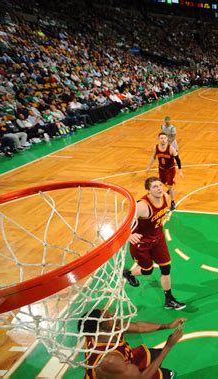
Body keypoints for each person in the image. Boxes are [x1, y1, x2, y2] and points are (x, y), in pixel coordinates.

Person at [123, 177, 186, 310]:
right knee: (148, 271)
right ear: (148, 191)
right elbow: (124, 221)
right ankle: (129, 273)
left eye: (160, 185)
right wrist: (129, 234)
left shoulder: (165, 197)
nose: (159, 188)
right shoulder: (142, 206)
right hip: (142, 243)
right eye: (154, 187)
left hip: (158, 239)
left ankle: (169, 299)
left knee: (166, 268)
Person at [79, 308, 184, 379]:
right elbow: (141, 378)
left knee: (156, 354)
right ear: (100, 329)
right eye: (108, 317)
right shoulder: (109, 360)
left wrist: (168, 326)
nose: (112, 314)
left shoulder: (108, 328)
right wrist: (168, 346)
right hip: (120, 371)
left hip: (125, 361)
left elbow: (139, 327)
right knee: (164, 374)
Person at [146, 133, 183, 211]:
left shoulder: (171, 148)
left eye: (164, 138)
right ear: (159, 139)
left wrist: (180, 171)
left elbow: (178, 160)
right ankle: (171, 186)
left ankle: (172, 202)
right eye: (161, 138)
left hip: (170, 169)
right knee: (163, 182)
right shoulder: (156, 148)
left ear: (167, 139)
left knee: (170, 186)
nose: (163, 140)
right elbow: (153, 157)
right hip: (161, 169)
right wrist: (148, 167)